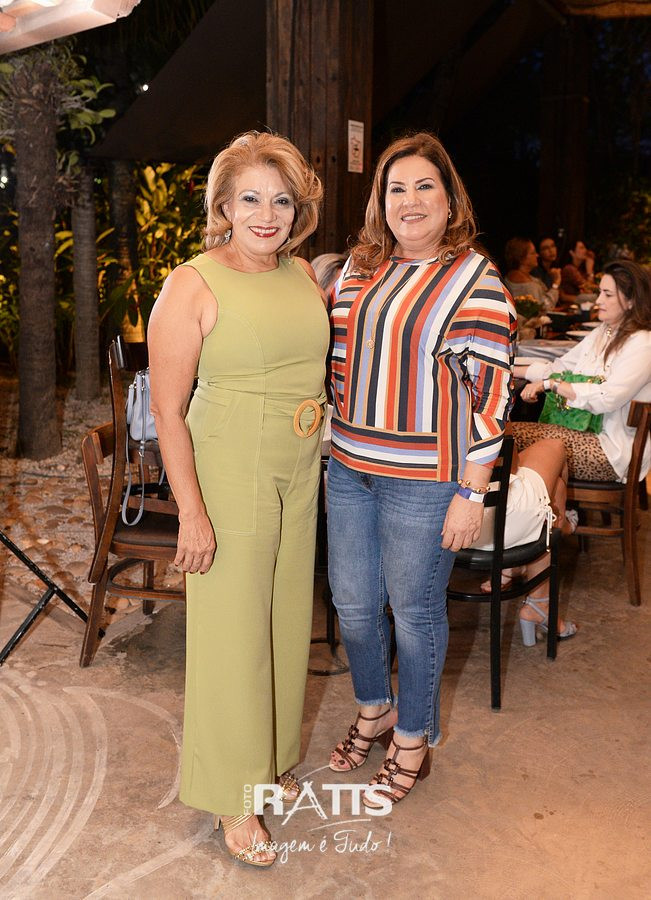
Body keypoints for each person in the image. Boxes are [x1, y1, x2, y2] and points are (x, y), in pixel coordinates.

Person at [148, 132, 328, 868]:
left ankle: (268, 760)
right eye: (250, 198)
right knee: (232, 635)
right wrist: (191, 513)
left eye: (281, 200)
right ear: (222, 205)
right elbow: (167, 412)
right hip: (229, 462)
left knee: (284, 621)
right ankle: (230, 794)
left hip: (301, 461)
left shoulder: (301, 273)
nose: (266, 215)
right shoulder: (190, 284)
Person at [326, 132, 515, 806]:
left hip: (425, 482)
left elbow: (492, 397)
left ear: (449, 199)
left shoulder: (474, 280)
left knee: (413, 613)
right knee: (352, 606)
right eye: (396, 188)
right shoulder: (357, 269)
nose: (409, 200)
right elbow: (334, 361)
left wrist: (471, 492)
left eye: (423, 186)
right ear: (380, 202)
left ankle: (412, 740)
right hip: (348, 469)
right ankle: (373, 708)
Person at [513, 259, 651, 485]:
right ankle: (552, 503)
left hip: (611, 450)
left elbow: (607, 398)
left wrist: (552, 385)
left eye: (607, 294)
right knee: (517, 436)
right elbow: (558, 368)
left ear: (631, 301)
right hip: (585, 433)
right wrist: (512, 370)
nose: (598, 301)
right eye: (600, 292)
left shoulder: (642, 344)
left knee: (511, 436)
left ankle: (531, 504)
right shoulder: (604, 332)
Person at [473, 432, 578, 644]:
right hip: (495, 524)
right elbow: (510, 463)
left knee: (553, 487)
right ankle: (539, 603)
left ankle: (521, 575)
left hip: (438, 528)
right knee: (555, 447)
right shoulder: (482, 408)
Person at [504, 236, 560, 311]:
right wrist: (556, 283)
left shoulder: (514, 275)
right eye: (533, 253)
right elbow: (545, 307)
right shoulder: (527, 285)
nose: (537, 255)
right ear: (521, 258)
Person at [559, 239, 597, 304]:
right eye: (581, 248)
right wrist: (589, 271)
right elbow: (589, 288)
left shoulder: (580, 268)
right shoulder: (569, 269)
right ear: (572, 252)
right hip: (569, 305)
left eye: (585, 248)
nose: (585, 250)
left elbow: (591, 290)